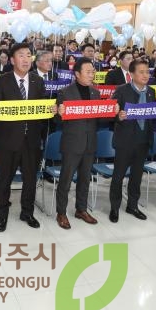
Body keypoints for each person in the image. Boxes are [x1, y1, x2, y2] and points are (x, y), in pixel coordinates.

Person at [0, 43, 47, 232]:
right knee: (5, 179)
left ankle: (27, 212)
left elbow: (43, 107)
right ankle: (2, 213)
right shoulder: (2, 80)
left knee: (30, 179)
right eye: (21, 55)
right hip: (8, 140)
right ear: (12, 60)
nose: (25, 59)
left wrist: (53, 110)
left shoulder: (38, 81)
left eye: (29, 55)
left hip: (31, 140)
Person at [110, 59, 156, 222]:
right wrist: (119, 116)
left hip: (143, 140)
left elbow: (153, 113)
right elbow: (112, 113)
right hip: (125, 141)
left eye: (147, 72)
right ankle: (114, 208)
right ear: (131, 74)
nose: (146, 75)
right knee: (118, 176)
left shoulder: (151, 91)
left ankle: (132, 205)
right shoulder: (121, 90)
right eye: (141, 72)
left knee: (137, 176)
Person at [53, 57, 105, 229]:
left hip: (90, 143)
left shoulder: (95, 93)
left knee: (85, 179)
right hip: (72, 143)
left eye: (93, 71)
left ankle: (81, 209)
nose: (92, 74)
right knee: (66, 180)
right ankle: (61, 212)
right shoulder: (65, 92)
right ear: (77, 74)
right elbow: (58, 121)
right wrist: (58, 113)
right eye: (88, 72)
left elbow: (99, 118)